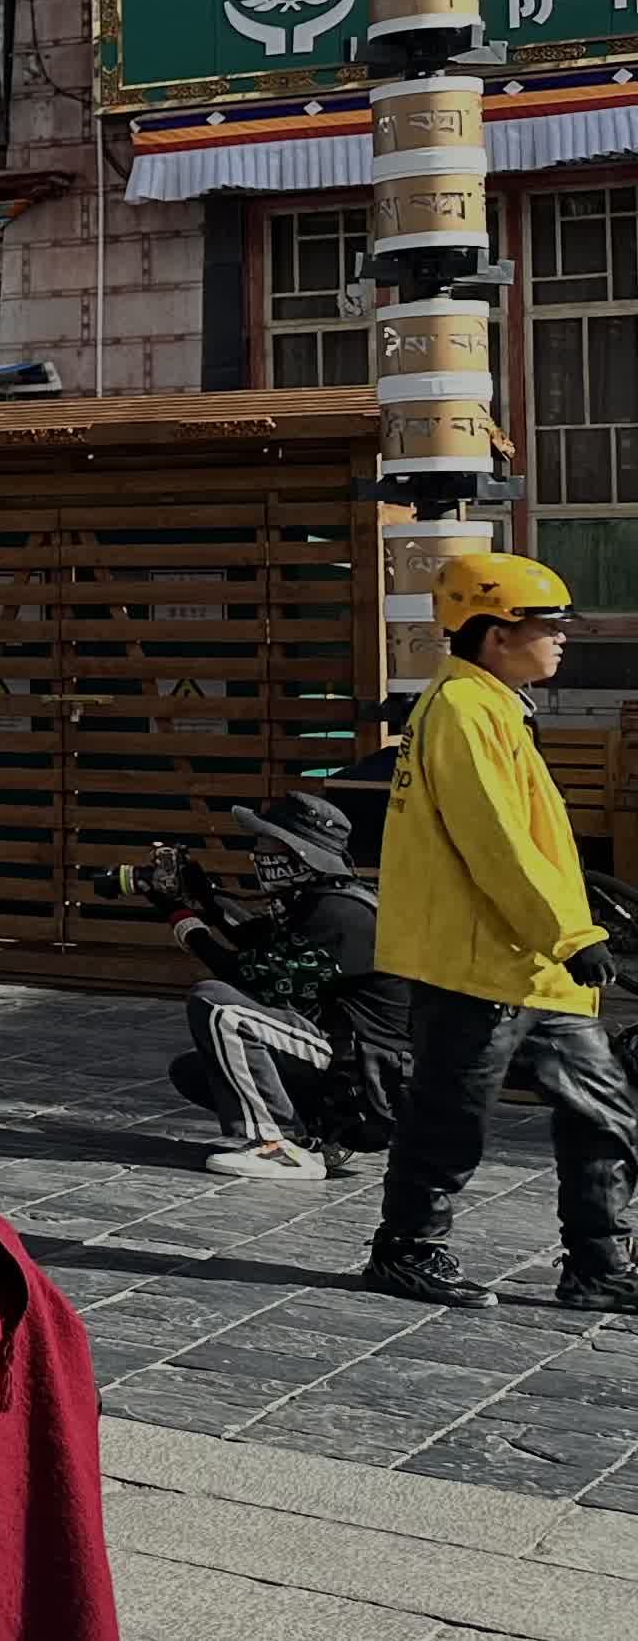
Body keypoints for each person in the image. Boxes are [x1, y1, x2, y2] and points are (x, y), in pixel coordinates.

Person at [365, 551, 638, 1312]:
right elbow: (495, 842)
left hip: (536, 963)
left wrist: (573, 929)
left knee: (605, 1111)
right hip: (478, 961)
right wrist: (569, 932)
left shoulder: (495, 706)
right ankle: (406, 1251)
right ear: (495, 634)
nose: (562, 639)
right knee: (450, 1118)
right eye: (548, 626)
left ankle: (600, 1267)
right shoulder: (462, 711)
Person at [161, 792, 409, 1182]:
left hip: (371, 1082)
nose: (258, 853)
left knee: (219, 1007)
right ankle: (319, 1138)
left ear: (299, 854)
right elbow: (255, 938)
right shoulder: (320, 899)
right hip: (353, 1068)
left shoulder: (342, 914)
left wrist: (179, 918)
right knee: (194, 1071)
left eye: (267, 843)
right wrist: (204, 898)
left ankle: (278, 1145)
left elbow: (249, 975)